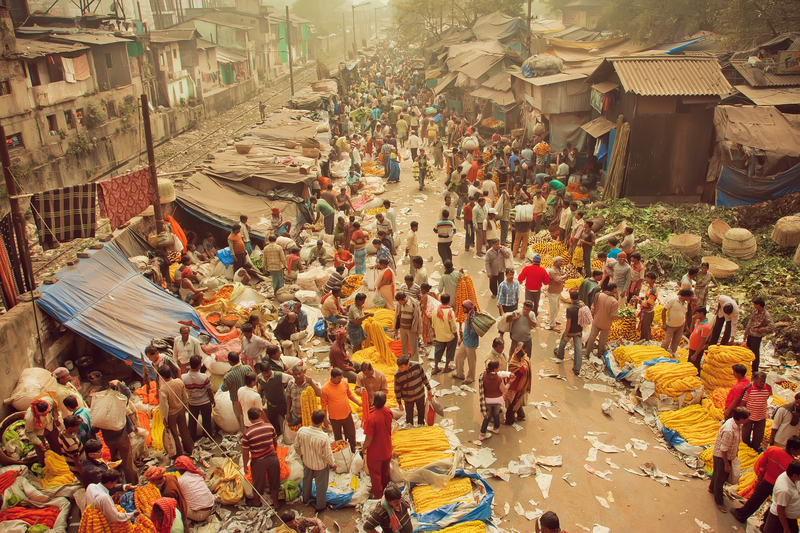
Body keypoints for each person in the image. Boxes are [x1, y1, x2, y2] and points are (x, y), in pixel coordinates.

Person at [733, 435, 800, 523]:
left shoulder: (772, 450)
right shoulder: (792, 463)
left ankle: (741, 515)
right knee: (775, 505)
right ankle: (766, 524)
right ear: (792, 449)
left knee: (755, 499)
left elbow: (761, 464)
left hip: (766, 480)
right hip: (779, 486)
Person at [710, 406, 750, 513]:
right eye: (746, 418)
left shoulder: (737, 425)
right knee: (721, 479)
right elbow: (723, 449)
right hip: (722, 457)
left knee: (717, 474)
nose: (747, 420)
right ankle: (719, 501)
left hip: (728, 455)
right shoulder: (729, 430)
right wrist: (726, 464)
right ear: (741, 418)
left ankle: (711, 488)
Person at [295, 409, 337, 512]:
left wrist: (301, 454)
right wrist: (333, 464)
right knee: (321, 486)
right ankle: (320, 506)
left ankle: (305, 499)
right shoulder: (324, 437)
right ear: (322, 421)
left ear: (311, 418)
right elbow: (327, 455)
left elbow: (296, 446)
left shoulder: (302, 431)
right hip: (320, 466)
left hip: (307, 462)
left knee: (307, 480)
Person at [242, 407, 281, 509]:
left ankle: (257, 501)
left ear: (249, 418)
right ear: (260, 416)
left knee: (258, 482)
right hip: (272, 458)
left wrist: (245, 465)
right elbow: (275, 442)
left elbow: (245, 453)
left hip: (258, 461)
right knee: (275, 480)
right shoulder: (269, 427)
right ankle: (276, 503)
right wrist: (274, 453)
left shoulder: (247, 433)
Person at [728, 371, 772, 451]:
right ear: (755, 380)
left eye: (764, 381)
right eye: (761, 381)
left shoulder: (768, 388)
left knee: (758, 436)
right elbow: (743, 403)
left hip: (761, 416)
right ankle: (745, 450)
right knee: (745, 436)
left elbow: (768, 397)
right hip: (748, 418)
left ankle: (755, 449)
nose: (763, 383)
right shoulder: (748, 389)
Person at [321, 368, 361, 453]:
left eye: (341, 378)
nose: (340, 380)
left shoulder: (344, 383)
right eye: (338, 378)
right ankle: (342, 454)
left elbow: (350, 395)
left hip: (347, 415)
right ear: (332, 377)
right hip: (335, 418)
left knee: (351, 435)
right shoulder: (325, 388)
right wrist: (325, 419)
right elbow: (323, 406)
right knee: (338, 439)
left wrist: (358, 403)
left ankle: (352, 451)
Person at [363, 391, 394, 499]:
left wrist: (364, 447)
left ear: (374, 401)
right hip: (387, 448)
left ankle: (379, 496)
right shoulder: (388, 411)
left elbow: (369, 437)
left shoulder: (372, 418)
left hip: (376, 452)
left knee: (375, 475)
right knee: (385, 472)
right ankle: (386, 491)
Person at [158, 365, 193, 456]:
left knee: (174, 434)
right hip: (180, 410)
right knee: (184, 431)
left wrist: (164, 419)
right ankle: (190, 449)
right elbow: (184, 396)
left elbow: (164, 407)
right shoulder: (179, 382)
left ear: (162, 377)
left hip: (171, 414)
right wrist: (186, 407)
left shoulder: (163, 389)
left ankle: (179, 454)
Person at [145, 466, 189, 531]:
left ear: (155, 480)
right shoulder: (170, 477)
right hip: (182, 505)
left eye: (151, 481)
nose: (151, 483)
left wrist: (150, 517)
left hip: (180, 511)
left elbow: (168, 513)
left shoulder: (168, 493)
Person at [182, 355, 214, 440]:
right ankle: (208, 437)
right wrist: (213, 400)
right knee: (207, 421)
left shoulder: (184, 377)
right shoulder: (204, 377)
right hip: (205, 402)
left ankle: (192, 438)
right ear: (199, 365)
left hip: (192, 402)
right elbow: (209, 390)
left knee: (192, 422)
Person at [762, 460, 800, 533]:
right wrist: (786, 528)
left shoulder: (790, 476)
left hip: (790, 517)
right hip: (780, 519)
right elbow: (780, 509)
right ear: (795, 475)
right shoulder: (784, 490)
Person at [394, 355, 432, 426]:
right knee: (409, 416)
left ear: (407, 364)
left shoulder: (417, 366)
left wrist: (429, 388)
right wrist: (399, 403)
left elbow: (424, 377)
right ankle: (410, 428)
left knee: (421, 413)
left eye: (401, 367)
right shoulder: (397, 374)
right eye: (398, 367)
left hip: (420, 394)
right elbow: (397, 389)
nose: (399, 368)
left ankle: (421, 426)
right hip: (408, 398)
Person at [175, 456, 215, 522]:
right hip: (212, 505)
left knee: (177, 503)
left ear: (179, 470)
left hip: (200, 515)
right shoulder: (197, 474)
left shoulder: (180, 481)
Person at [255, 362, 290, 436]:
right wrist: (261, 399)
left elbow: (291, 380)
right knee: (273, 422)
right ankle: (277, 435)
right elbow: (260, 388)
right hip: (270, 404)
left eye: (268, 372)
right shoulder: (259, 378)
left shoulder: (279, 375)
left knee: (288, 419)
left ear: (270, 369)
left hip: (282, 403)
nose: (266, 375)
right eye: (264, 373)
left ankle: (288, 435)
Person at [584, 283, 619, 358]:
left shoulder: (598, 295)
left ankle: (587, 353)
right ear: (613, 289)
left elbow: (593, 307)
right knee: (603, 339)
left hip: (596, 320)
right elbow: (613, 315)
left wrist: (591, 316)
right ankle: (599, 353)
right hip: (606, 323)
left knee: (592, 337)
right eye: (616, 288)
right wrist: (619, 317)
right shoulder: (614, 301)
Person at [221, 352, 253, 432]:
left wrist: (224, 377)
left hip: (237, 400)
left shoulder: (229, 376)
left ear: (230, 361)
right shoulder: (248, 368)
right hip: (249, 397)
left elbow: (224, 388)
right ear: (239, 359)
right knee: (251, 417)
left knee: (241, 419)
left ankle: (245, 434)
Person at [25, 396, 62, 464]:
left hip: (49, 425)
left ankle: (59, 459)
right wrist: (38, 443)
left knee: (56, 443)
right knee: (41, 451)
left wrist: (56, 418)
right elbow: (28, 432)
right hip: (38, 432)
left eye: (47, 413)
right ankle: (44, 464)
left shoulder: (49, 401)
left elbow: (54, 407)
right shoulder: (30, 418)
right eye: (43, 415)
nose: (46, 415)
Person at [556, 290, 584, 375]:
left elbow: (569, 323)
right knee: (578, 349)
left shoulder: (570, 308)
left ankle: (560, 354)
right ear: (578, 297)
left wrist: (566, 335)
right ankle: (577, 368)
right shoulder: (582, 307)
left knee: (562, 342)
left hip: (571, 330)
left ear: (570, 298)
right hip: (579, 330)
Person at [745, 296, 775, 373]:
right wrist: (746, 332)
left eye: (755, 304)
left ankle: (755, 369)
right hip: (751, 333)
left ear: (759, 304)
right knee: (748, 351)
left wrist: (761, 329)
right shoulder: (755, 311)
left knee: (755, 353)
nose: (754, 305)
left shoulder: (766, 314)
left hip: (757, 336)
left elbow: (772, 326)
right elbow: (750, 322)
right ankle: (747, 367)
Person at [504, 343, 532, 425]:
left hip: (517, 386)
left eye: (520, 350)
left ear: (524, 350)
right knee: (515, 402)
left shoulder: (525, 361)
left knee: (511, 406)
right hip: (510, 384)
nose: (517, 352)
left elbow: (524, 371)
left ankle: (509, 421)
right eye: (516, 350)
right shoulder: (513, 357)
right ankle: (521, 415)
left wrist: (521, 364)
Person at [479, 360, 506, 440]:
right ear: (495, 369)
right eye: (498, 367)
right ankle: (496, 428)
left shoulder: (483, 376)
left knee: (487, 416)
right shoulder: (499, 379)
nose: (499, 368)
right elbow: (503, 390)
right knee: (496, 414)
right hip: (497, 401)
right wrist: (509, 383)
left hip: (487, 400)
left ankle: (482, 433)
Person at [432, 293, 458, 375]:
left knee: (438, 351)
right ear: (449, 301)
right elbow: (453, 325)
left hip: (439, 335)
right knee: (450, 351)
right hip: (449, 336)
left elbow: (433, 324)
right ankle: (446, 367)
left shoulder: (435, 310)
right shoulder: (450, 311)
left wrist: (435, 333)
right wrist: (455, 334)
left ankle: (436, 367)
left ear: (440, 300)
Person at [455, 300, 480, 385]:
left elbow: (473, 333)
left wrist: (469, 323)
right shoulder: (468, 315)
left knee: (471, 362)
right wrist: (462, 339)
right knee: (458, 357)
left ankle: (470, 378)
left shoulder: (473, 319)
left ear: (468, 308)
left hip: (471, 344)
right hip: (465, 342)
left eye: (464, 307)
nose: (462, 309)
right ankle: (460, 374)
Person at [661, 289, 693, 354]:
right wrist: (664, 323)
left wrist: (686, 326)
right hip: (671, 325)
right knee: (666, 341)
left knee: (676, 341)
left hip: (681, 325)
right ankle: (661, 353)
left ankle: (672, 353)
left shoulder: (686, 303)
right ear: (686, 296)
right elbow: (664, 311)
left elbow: (684, 314)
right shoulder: (673, 300)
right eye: (689, 297)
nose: (690, 298)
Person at [394, 291, 422, 362]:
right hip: (402, 328)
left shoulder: (414, 304)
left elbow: (418, 318)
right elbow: (397, 316)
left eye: (400, 302)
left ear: (404, 299)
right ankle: (405, 359)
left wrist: (419, 330)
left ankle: (415, 360)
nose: (399, 303)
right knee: (404, 344)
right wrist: (396, 328)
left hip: (411, 328)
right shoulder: (399, 305)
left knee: (413, 345)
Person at [58, 415, 85, 484]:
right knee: (85, 481)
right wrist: (83, 473)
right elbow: (77, 462)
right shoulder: (72, 445)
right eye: (76, 426)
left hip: (70, 464)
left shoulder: (61, 434)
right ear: (70, 428)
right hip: (77, 468)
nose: (78, 428)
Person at [688, 307, 712, 372]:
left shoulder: (705, 327)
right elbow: (691, 331)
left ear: (702, 314)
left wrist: (695, 355)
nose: (695, 315)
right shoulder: (699, 321)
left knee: (695, 368)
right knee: (689, 367)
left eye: (696, 313)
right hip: (692, 348)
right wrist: (693, 322)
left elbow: (702, 342)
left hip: (697, 350)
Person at [544, 256, 565, 331]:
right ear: (556, 262)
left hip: (558, 291)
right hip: (553, 291)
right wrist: (565, 276)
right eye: (560, 261)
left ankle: (553, 320)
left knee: (557, 307)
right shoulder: (552, 271)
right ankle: (552, 324)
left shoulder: (558, 269)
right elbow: (558, 280)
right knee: (553, 308)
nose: (562, 263)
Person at [637, 272, 658, 341]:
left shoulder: (653, 290)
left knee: (645, 328)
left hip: (648, 312)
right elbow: (646, 298)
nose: (646, 279)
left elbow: (648, 304)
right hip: (646, 310)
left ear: (653, 280)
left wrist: (638, 301)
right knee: (643, 327)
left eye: (648, 278)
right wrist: (639, 298)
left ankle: (645, 341)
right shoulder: (650, 287)